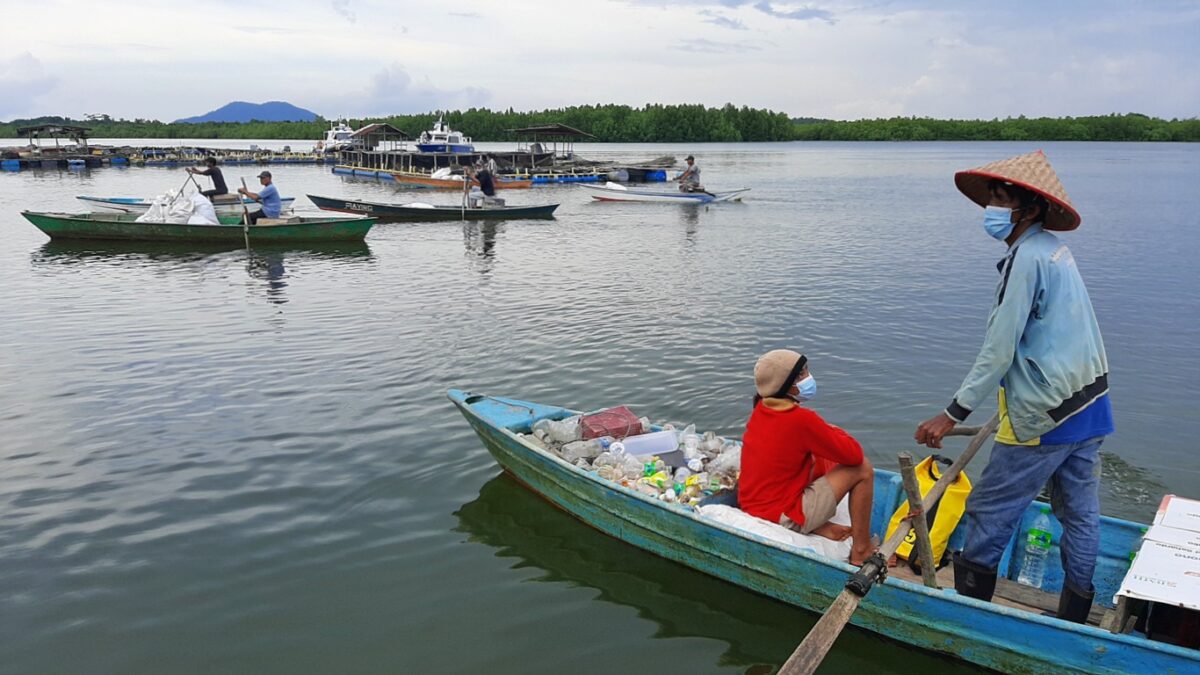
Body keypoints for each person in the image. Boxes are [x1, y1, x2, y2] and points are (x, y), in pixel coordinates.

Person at [914, 150, 1113, 624]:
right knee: (1079, 515)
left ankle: (970, 615)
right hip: (1091, 402)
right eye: (993, 199)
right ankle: (1074, 617)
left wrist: (953, 413)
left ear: (1031, 209)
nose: (993, 209)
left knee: (989, 508)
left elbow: (998, 350)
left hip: (1045, 414)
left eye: (1001, 200)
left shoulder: (1026, 259)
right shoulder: (1055, 252)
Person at [739, 349, 876, 565]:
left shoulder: (761, 409)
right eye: (802, 374)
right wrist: (833, 430)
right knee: (863, 469)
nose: (808, 377)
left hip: (754, 503)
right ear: (788, 385)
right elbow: (854, 455)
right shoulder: (801, 420)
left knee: (821, 457)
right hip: (782, 513)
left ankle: (817, 525)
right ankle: (861, 549)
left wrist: (824, 431)